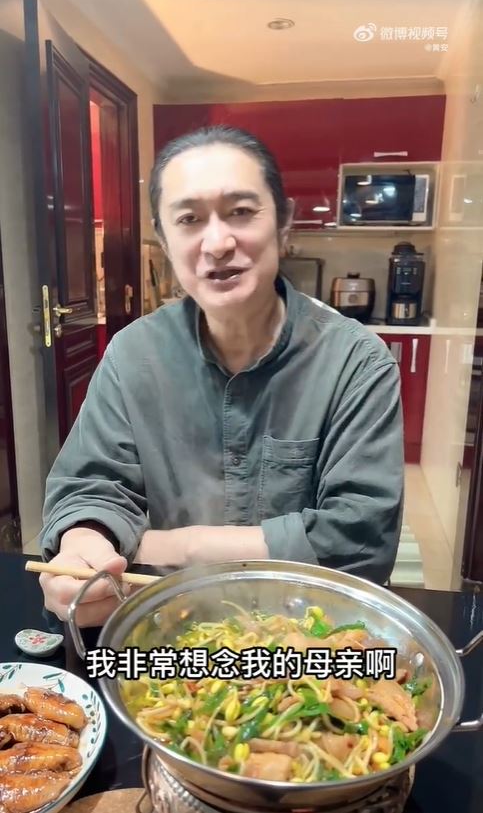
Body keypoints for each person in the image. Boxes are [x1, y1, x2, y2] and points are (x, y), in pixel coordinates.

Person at [39, 125, 404, 627]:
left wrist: (175, 546)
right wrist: (85, 543)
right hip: (172, 628)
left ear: (284, 223)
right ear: (164, 240)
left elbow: (361, 538)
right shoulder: (133, 355)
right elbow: (92, 486)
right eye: (189, 219)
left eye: (241, 211)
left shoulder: (356, 362)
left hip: (307, 633)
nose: (217, 243)